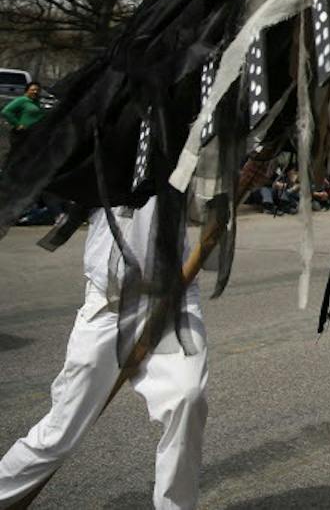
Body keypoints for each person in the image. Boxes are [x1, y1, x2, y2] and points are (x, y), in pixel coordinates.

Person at [0, 196, 209, 509]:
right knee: (59, 434)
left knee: (187, 397)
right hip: (107, 300)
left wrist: (232, 181)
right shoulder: (104, 147)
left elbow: (201, 209)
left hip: (171, 298)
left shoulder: (192, 147)